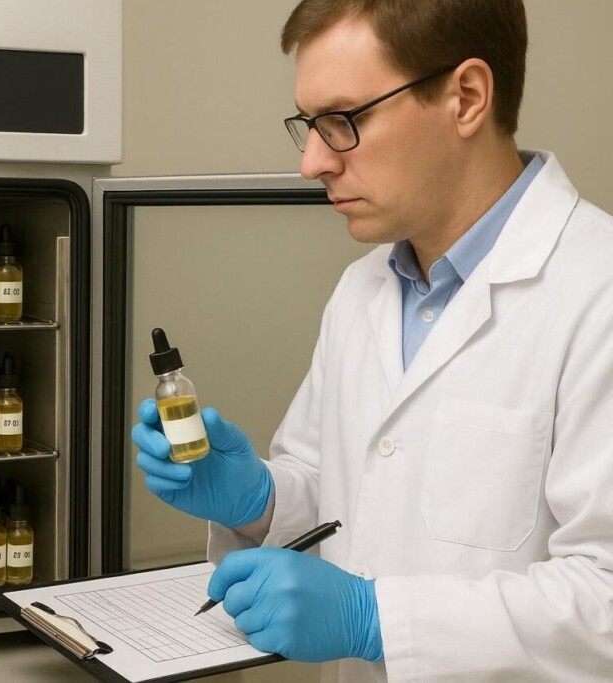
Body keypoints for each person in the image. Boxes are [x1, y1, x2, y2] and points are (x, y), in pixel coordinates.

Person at [132, 1, 613, 681]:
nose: (311, 162)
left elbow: (605, 602)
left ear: (466, 98)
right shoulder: (364, 290)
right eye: (309, 124)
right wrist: (259, 500)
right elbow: (347, 503)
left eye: (343, 121)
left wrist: (378, 618)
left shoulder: (598, 291)